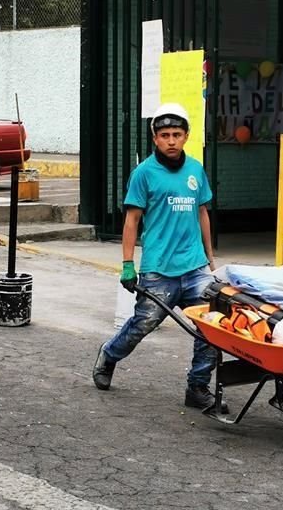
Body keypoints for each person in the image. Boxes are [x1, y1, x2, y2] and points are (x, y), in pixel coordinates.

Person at [92, 102, 227, 412]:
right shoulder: (143, 174)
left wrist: (210, 258)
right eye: (164, 135)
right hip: (159, 270)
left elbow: (203, 214)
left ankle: (197, 386)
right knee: (144, 323)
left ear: (186, 136)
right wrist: (128, 265)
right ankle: (109, 355)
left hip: (194, 267)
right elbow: (131, 221)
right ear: (155, 138)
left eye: (176, 135)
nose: (171, 141)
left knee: (211, 325)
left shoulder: (195, 170)